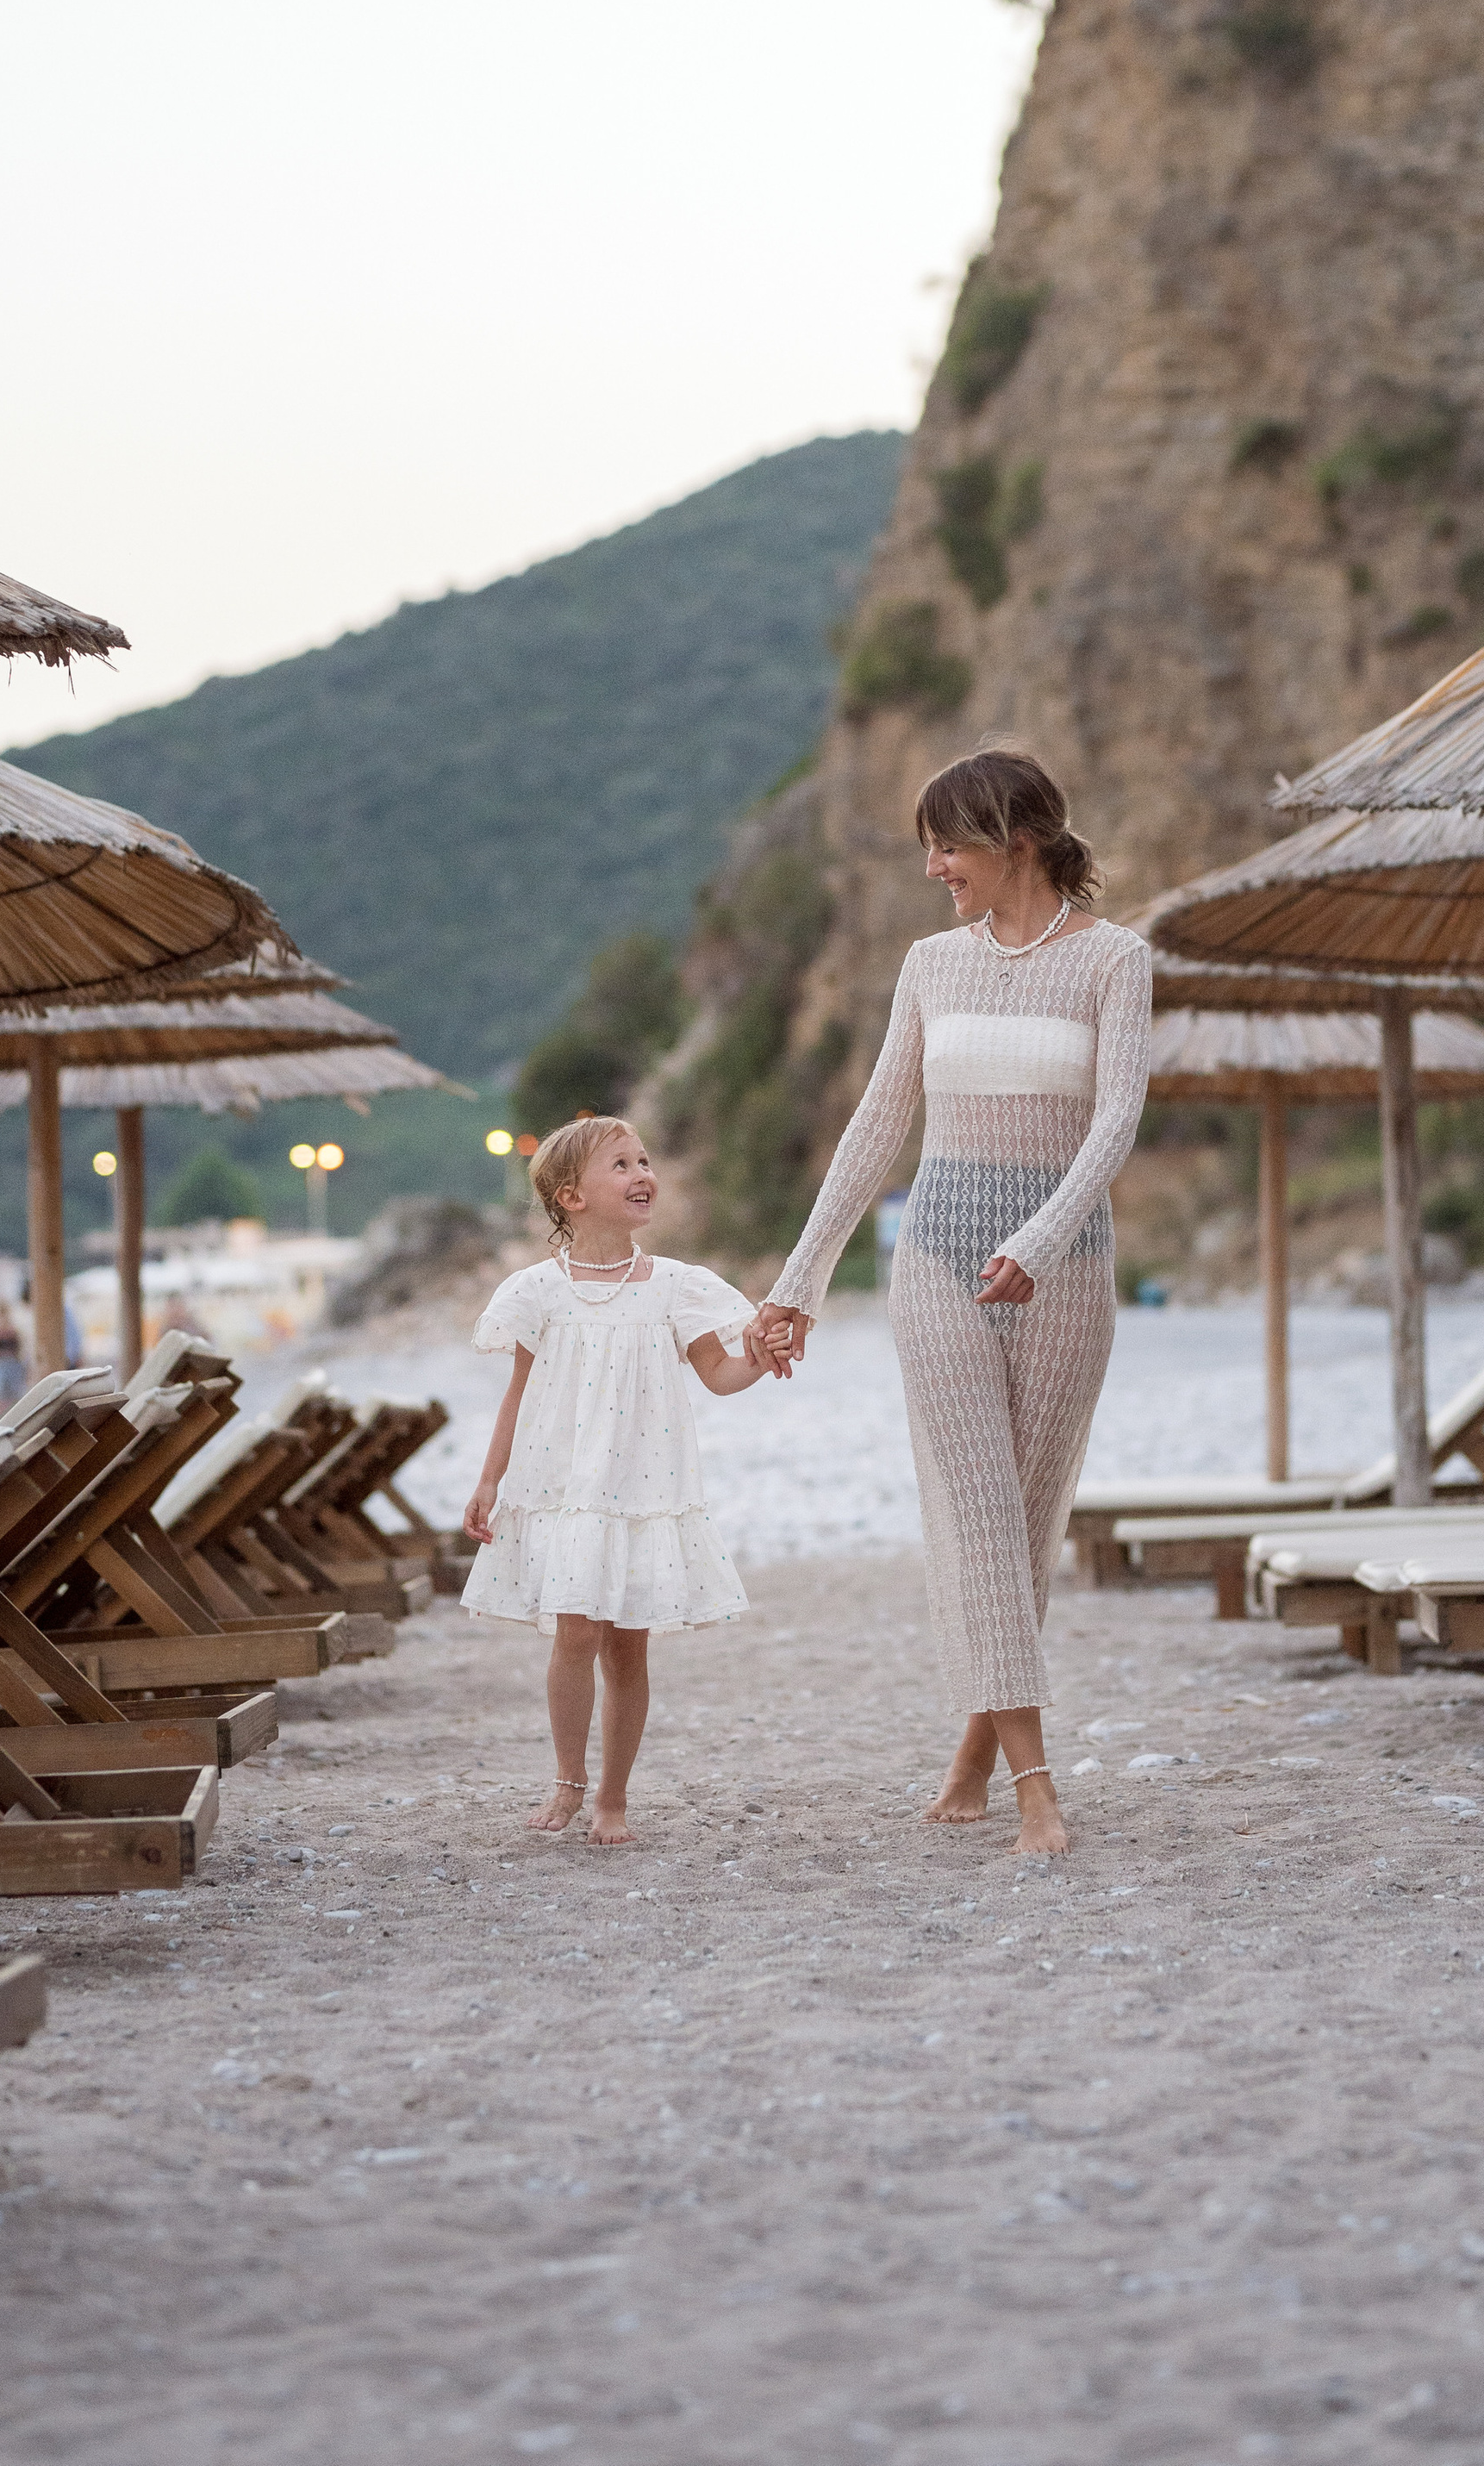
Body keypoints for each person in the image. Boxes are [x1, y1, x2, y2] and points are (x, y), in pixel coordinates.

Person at [750, 746, 1151, 1859]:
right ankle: (1037, 1789)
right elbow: (878, 1129)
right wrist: (799, 1283)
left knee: (1021, 1526)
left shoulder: (1117, 961)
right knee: (978, 1508)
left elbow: (1117, 1119)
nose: (934, 867)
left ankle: (976, 1747)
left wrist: (1039, 1239)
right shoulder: (930, 965)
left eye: (949, 843)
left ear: (1018, 836)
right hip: (936, 1262)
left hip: (1063, 1268)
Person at [458, 1115, 788, 1846]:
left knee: (627, 1645)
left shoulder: (676, 1286)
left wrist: (761, 1356)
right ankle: (568, 1781)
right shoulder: (536, 1292)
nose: (643, 1173)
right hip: (565, 1486)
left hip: (640, 1488)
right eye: (622, 1165)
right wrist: (490, 1481)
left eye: (645, 1160)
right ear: (571, 1196)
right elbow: (518, 1390)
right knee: (574, 1630)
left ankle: (614, 1796)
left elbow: (719, 1375)